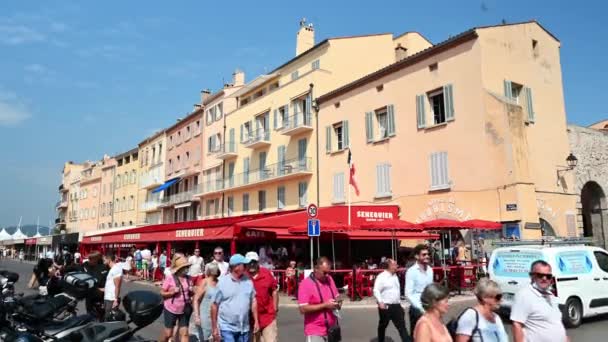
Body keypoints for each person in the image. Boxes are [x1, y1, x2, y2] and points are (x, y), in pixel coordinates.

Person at [510, 260, 568, 342]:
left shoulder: (551, 296)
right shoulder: (524, 295)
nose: (544, 278)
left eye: (548, 276)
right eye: (540, 275)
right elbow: (517, 325)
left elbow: (557, 324)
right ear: (531, 276)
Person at [211, 254, 259, 342]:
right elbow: (214, 305)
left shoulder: (248, 281)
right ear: (236, 267)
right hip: (226, 327)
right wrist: (214, 327)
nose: (246, 267)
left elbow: (253, 301)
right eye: (244, 265)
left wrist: (256, 321)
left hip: (244, 327)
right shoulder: (222, 283)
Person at [298, 257, 341, 342]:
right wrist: (325, 305)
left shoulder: (329, 279)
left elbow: (337, 297)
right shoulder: (305, 284)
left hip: (332, 329)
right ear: (316, 269)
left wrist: (337, 304)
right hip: (315, 331)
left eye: (329, 272)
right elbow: (302, 309)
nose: (327, 275)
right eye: (324, 273)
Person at [159, 255, 193, 342]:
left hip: (184, 309)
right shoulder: (170, 278)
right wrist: (171, 292)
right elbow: (162, 292)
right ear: (179, 268)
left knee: (185, 333)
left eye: (187, 267)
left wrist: (192, 291)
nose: (187, 269)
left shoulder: (189, 278)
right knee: (168, 333)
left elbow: (190, 294)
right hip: (171, 309)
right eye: (185, 267)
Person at [246, 251, 279, 342]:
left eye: (254, 262)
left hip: (267, 316)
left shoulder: (266, 273)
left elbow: (274, 291)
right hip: (249, 320)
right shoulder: (243, 276)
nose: (252, 264)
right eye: (249, 262)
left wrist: (275, 308)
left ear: (258, 262)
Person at [373, 258, 409, 342]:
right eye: (395, 264)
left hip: (396, 306)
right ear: (389, 266)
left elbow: (396, 292)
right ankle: (381, 340)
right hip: (386, 306)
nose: (397, 266)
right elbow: (376, 290)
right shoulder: (381, 277)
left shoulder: (395, 276)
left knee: (402, 327)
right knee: (383, 325)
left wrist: (400, 304)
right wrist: (380, 302)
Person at [405, 244, 434, 334]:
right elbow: (408, 294)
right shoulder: (411, 271)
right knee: (417, 335)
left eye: (428, 254)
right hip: (417, 309)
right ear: (417, 256)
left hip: (429, 307)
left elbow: (431, 289)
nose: (427, 256)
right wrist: (421, 309)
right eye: (424, 255)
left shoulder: (430, 270)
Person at [193, 263, 220, 342]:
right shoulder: (204, 282)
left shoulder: (219, 282)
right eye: (214, 270)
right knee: (205, 338)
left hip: (216, 316)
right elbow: (196, 299)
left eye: (216, 269)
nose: (216, 271)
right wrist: (197, 316)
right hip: (205, 316)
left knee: (216, 337)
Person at [82, 251, 109, 321]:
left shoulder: (104, 267)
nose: (89, 260)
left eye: (91, 258)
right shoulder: (86, 265)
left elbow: (110, 282)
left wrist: (104, 289)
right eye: (89, 258)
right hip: (89, 296)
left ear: (96, 259)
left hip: (100, 297)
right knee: (89, 316)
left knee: (101, 317)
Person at [103, 252, 123, 318]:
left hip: (111, 299)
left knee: (109, 319)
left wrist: (115, 300)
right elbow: (110, 285)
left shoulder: (116, 269)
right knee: (107, 317)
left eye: (104, 260)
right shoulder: (112, 269)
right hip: (108, 298)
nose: (103, 261)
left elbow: (117, 286)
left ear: (109, 259)